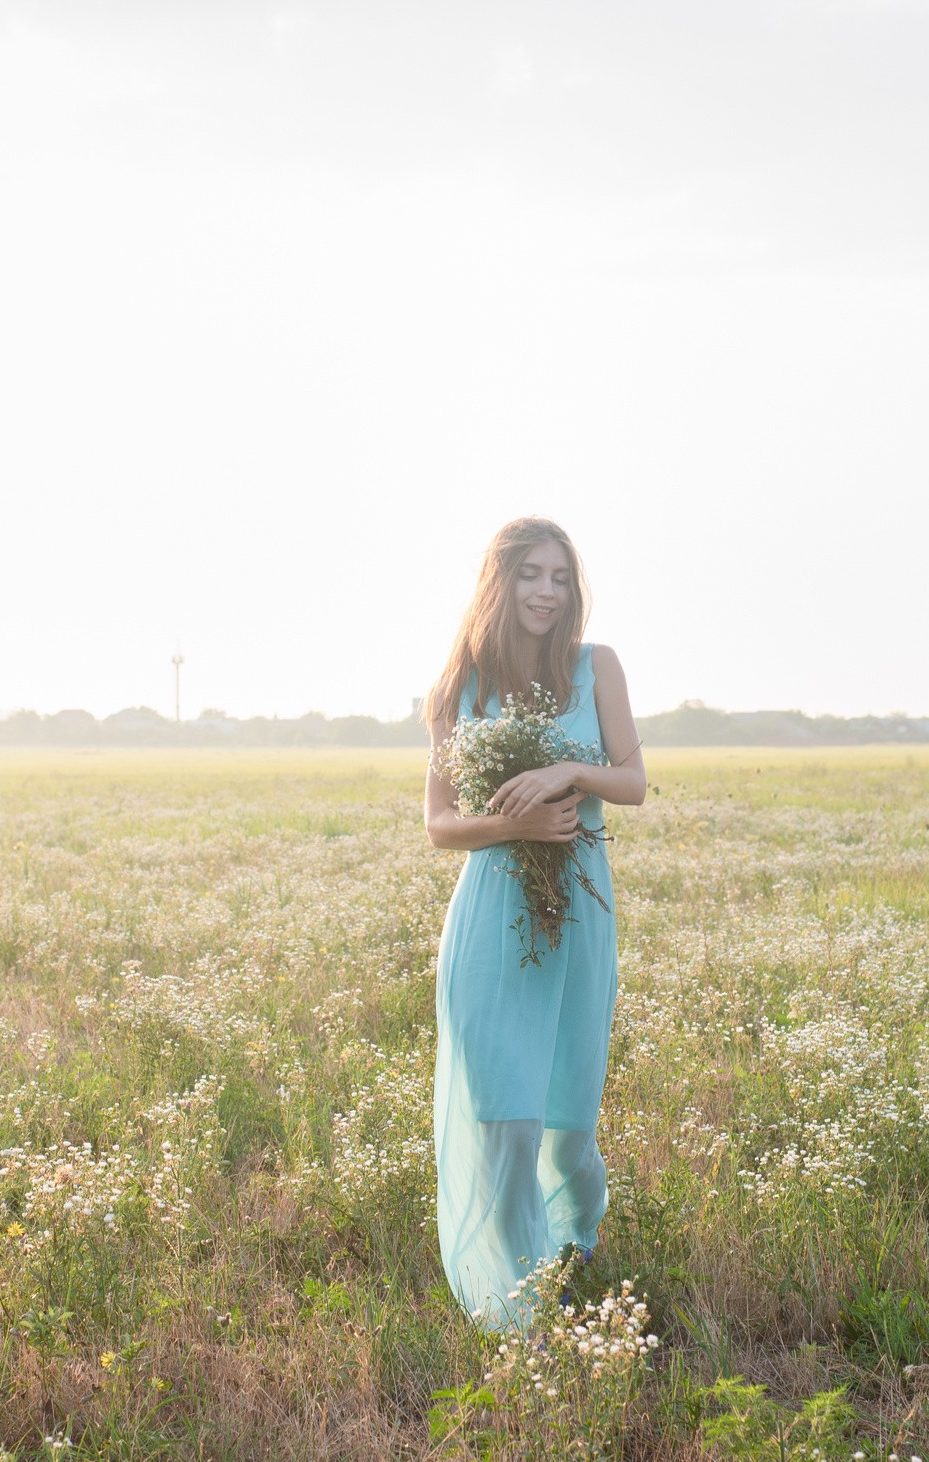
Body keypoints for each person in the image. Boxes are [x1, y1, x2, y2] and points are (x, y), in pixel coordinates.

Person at [423, 517, 648, 1327]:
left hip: (577, 914)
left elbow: (633, 781)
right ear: (500, 581)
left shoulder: (599, 667)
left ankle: (574, 1239)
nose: (546, 590)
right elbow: (440, 824)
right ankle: (512, 1303)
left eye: (560, 576)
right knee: (504, 1120)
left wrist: (563, 770)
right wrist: (516, 826)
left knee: (565, 1124)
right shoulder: (458, 690)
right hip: (491, 917)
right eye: (530, 574)